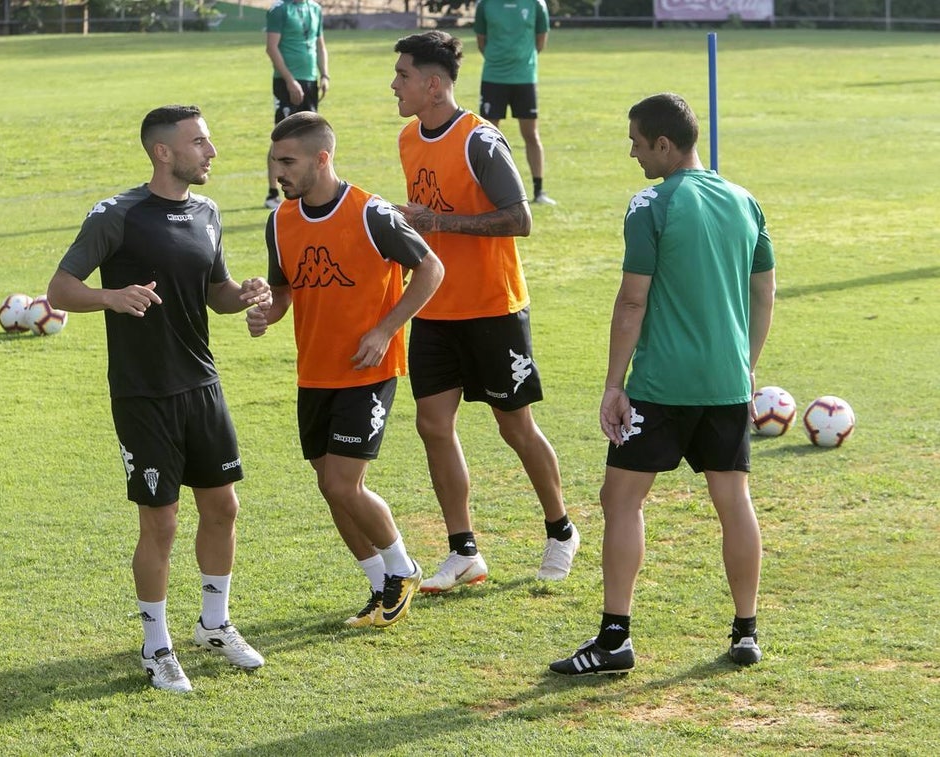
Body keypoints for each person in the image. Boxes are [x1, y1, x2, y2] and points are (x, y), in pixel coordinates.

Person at [549, 93, 775, 676]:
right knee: (734, 502)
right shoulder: (746, 200)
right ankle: (746, 632)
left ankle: (615, 639)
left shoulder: (650, 203)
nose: (633, 154)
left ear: (664, 144)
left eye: (637, 143)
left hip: (660, 384)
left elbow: (632, 301)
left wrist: (613, 384)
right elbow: (763, 292)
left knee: (621, 500)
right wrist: (746, 364)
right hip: (727, 383)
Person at [47, 105, 271, 692]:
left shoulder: (208, 213)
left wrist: (244, 294)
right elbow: (60, 289)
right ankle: (156, 646)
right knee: (162, 522)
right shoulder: (116, 215)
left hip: (202, 385)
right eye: (199, 142)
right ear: (163, 152)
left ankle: (215, 624)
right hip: (143, 394)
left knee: (223, 507)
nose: (211, 151)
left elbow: (216, 293)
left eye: (209, 140)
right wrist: (111, 297)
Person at [389, 31, 579, 594]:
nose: (394, 85)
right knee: (432, 425)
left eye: (402, 75)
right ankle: (464, 551)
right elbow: (425, 220)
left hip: (494, 308)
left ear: (433, 85)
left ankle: (561, 529)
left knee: (514, 426)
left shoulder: (481, 139)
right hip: (434, 307)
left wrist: (438, 222)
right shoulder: (408, 138)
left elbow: (520, 218)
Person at [247, 112, 444, 628]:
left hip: (367, 371)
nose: (278, 173)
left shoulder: (371, 213)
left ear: (322, 158)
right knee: (329, 486)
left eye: (288, 162)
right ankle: (379, 583)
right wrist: (267, 312)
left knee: (342, 484)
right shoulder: (279, 222)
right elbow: (284, 291)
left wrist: (385, 330)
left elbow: (431, 268)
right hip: (314, 373)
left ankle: (403, 568)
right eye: (274, 162)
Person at [473, 0, 557, 206]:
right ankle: (484, 191)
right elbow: (481, 41)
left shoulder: (536, 4)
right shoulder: (485, 4)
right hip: (493, 77)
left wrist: (521, 61)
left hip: (524, 78)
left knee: (531, 134)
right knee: (486, 137)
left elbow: (540, 41)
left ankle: (538, 190)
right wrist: (498, 60)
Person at [264, 0, 329, 209]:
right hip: (286, 82)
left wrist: (324, 75)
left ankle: (307, 188)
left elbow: (319, 44)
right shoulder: (280, 10)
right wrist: (290, 80)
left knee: (310, 137)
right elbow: (271, 48)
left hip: (310, 80)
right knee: (282, 137)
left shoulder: (315, 9)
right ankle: (273, 192)